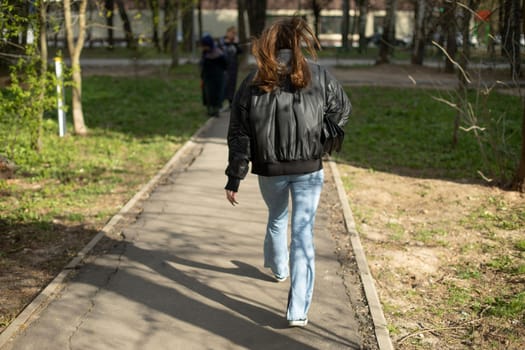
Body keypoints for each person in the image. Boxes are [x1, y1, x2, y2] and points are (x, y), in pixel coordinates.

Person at [224, 17, 351, 327]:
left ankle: (279, 268)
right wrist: (320, 138)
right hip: (309, 168)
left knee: (278, 218)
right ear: (297, 42)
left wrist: (235, 177)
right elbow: (342, 110)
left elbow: (238, 132)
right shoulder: (319, 75)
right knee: (303, 232)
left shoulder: (253, 81)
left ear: (267, 44)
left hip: (270, 170)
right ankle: (297, 310)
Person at [199, 34, 227, 117]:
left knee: (217, 94)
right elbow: (203, 65)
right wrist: (202, 77)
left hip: (218, 77)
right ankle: (209, 110)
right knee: (208, 94)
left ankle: (216, 110)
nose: (204, 48)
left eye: (205, 46)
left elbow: (225, 64)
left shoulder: (219, 54)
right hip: (207, 77)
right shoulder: (205, 53)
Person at [218, 26, 242, 111]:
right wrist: (227, 43)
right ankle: (220, 103)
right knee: (224, 84)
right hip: (224, 67)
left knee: (232, 85)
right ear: (227, 32)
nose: (233, 35)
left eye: (235, 33)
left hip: (233, 66)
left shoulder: (234, 42)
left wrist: (235, 43)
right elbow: (219, 51)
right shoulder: (222, 41)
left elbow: (240, 51)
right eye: (232, 33)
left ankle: (231, 102)